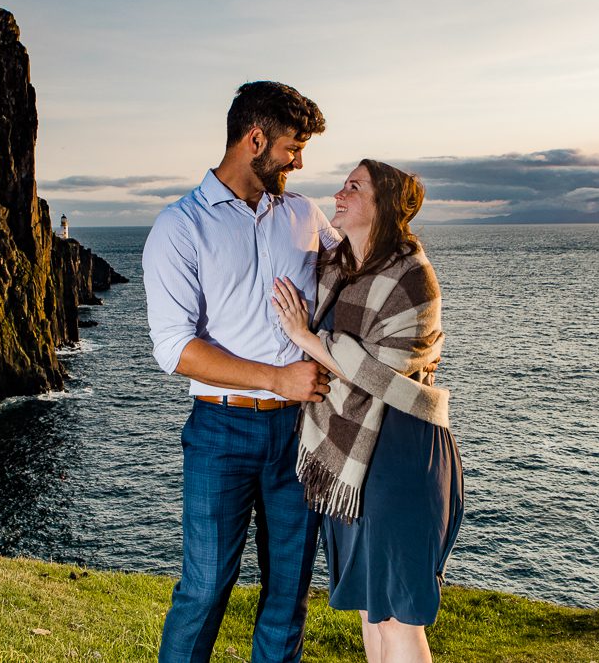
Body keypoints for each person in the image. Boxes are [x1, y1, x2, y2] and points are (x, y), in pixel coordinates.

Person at [143, 81, 336, 663]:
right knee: (203, 590)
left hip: (301, 436)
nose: (299, 162)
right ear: (255, 139)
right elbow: (175, 349)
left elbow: (359, 268)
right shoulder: (179, 227)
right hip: (220, 433)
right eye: (292, 147)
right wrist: (276, 379)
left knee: (287, 598)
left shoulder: (304, 213)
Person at [270, 159, 464, 663]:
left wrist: (307, 338)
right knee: (371, 611)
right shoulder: (337, 269)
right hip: (352, 454)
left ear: (385, 207)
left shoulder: (413, 278)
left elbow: (380, 372)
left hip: (401, 448)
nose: (340, 193)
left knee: (398, 615)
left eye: (354, 187)